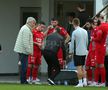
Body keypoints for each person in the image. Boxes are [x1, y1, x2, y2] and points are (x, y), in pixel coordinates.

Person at [42, 17, 70, 85]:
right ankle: (50, 79)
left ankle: (52, 79)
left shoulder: (61, 29)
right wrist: (47, 29)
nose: (53, 23)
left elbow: (68, 37)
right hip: (52, 51)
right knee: (52, 66)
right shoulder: (49, 29)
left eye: (54, 22)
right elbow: (42, 36)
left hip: (56, 50)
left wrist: (63, 43)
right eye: (52, 22)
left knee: (56, 65)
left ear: (57, 22)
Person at [14, 17, 36, 84]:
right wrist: (30, 51)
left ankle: (23, 80)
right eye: (33, 23)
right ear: (29, 22)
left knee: (24, 66)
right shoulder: (26, 29)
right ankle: (23, 81)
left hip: (22, 50)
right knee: (24, 66)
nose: (34, 24)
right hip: (23, 51)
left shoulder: (26, 28)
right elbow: (25, 42)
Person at [69, 18, 88, 87]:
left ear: (73, 23)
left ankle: (80, 83)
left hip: (78, 52)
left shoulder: (74, 32)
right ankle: (85, 81)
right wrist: (86, 50)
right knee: (83, 67)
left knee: (79, 68)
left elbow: (72, 43)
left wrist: (70, 52)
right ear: (79, 23)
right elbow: (87, 42)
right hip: (84, 51)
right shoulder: (85, 31)